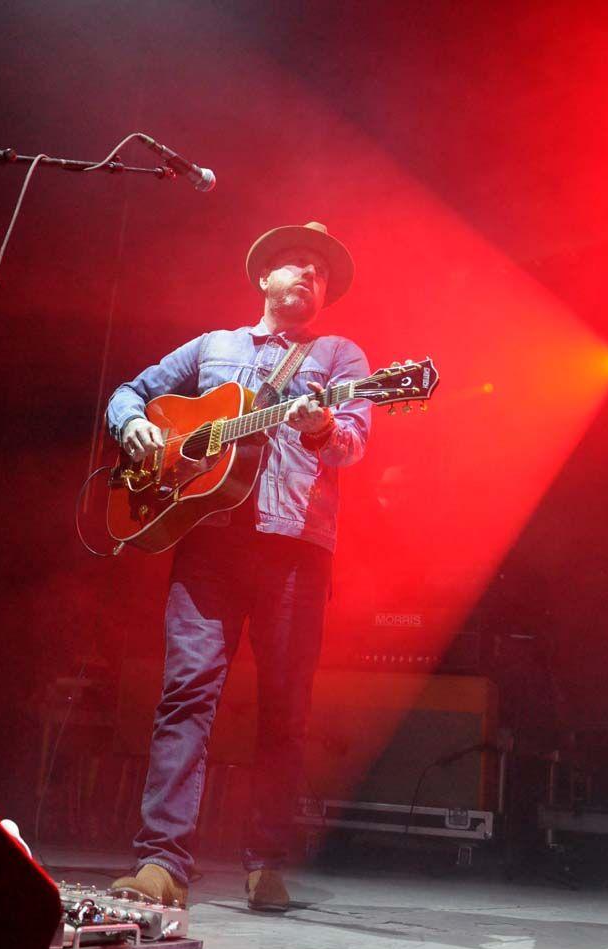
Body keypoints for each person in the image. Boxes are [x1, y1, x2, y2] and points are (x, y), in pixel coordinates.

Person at [107, 221, 371, 911]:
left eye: (321, 270)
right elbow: (131, 391)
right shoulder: (213, 347)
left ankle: (267, 864)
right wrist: (133, 426)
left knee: (285, 710)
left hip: (295, 549)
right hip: (211, 541)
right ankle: (162, 862)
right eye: (296, 263)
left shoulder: (342, 355)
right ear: (263, 276)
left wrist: (320, 427)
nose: (310, 275)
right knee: (186, 693)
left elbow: (352, 444)